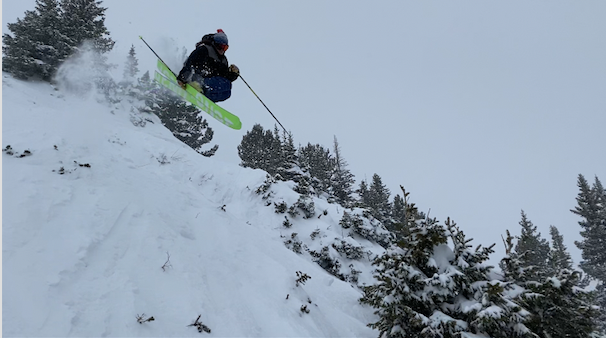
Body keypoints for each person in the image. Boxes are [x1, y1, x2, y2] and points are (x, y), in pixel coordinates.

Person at [176, 29, 239, 103]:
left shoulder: (223, 60)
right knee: (224, 84)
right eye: (220, 46)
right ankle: (198, 85)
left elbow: (224, 77)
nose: (222, 50)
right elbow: (190, 62)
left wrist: (233, 74)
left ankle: (204, 95)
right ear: (214, 44)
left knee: (227, 90)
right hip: (197, 77)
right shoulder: (205, 49)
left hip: (209, 83)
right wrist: (182, 78)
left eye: (225, 48)